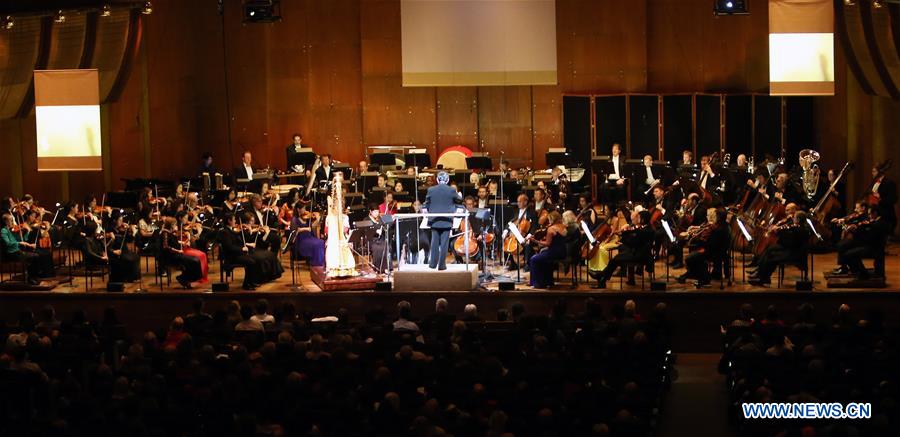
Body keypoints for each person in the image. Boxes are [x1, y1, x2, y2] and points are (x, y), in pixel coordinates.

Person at [589, 210, 655, 288]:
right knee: (617, 257)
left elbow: (633, 243)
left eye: (639, 217)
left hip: (640, 255)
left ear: (643, 220)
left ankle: (601, 276)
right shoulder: (646, 228)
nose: (637, 219)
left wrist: (622, 237)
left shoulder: (645, 231)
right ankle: (602, 279)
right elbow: (635, 233)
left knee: (615, 260)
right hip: (637, 252)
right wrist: (624, 232)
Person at [748, 207, 810, 286]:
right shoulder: (801, 228)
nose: (793, 219)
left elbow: (788, 243)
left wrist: (780, 232)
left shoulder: (799, 230)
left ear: (797, 219)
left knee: (771, 257)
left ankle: (763, 278)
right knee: (770, 251)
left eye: (794, 218)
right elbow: (789, 242)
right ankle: (762, 276)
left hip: (794, 254)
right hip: (792, 250)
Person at [834, 205, 890, 279]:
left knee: (849, 254)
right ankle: (858, 271)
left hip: (873, 248)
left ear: (875, 213)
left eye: (870, 214)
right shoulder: (874, 222)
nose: (869, 216)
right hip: (868, 245)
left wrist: (857, 231)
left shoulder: (878, 224)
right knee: (846, 248)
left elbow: (869, 238)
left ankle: (863, 274)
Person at [678, 208, 729, 287]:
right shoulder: (723, 226)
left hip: (714, 252)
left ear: (718, 217)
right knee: (692, 257)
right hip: (713, 250)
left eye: (715, 215)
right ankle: (697, 275)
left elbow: (713, 243)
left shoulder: (719, 229)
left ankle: (703, 277)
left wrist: (701, 243)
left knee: (690, 258)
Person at [424, 171, 462, 270]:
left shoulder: (431, 189)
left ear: (437, 179)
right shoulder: (451, 190)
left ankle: (432, 264)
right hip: (446, 220)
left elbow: (427, 203)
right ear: (447, 180)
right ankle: (441, 265)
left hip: (434, 220)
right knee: (444, 243)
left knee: (434, 242)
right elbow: (459, 200)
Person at [1, 213, 54, 283]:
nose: (12, 222)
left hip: (17, 251)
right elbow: (8, 243)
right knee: (33, 257)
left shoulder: (10, 230)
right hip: (11, 253)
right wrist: (20, 243)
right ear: (6, 221)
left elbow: (22, 239)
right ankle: (31, 278)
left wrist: (27, 232)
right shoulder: (3, 231)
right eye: (11, 220)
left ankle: (33, 276)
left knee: (35, 256)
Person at [160, 217, 203, 289]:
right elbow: (166, 246)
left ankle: (186, 278)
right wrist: (178, 251)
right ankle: (183, 278)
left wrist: (183, 243)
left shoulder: (170, 232)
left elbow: (174, 242)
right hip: (171, 256)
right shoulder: (165, 233)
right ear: (171, 225)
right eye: (175, 224)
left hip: (177, 254)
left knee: (196, 260)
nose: (176, 226)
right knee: (194, 261)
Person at [528, 211, 568, 289]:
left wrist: (536, 241)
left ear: (552, 219)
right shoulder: (564, 226)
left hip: (554, 252)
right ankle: (548, 281)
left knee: (534, 259)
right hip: (563, 252)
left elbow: (547, 244)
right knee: (543, 256)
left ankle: (537, 283)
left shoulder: (551, 229)